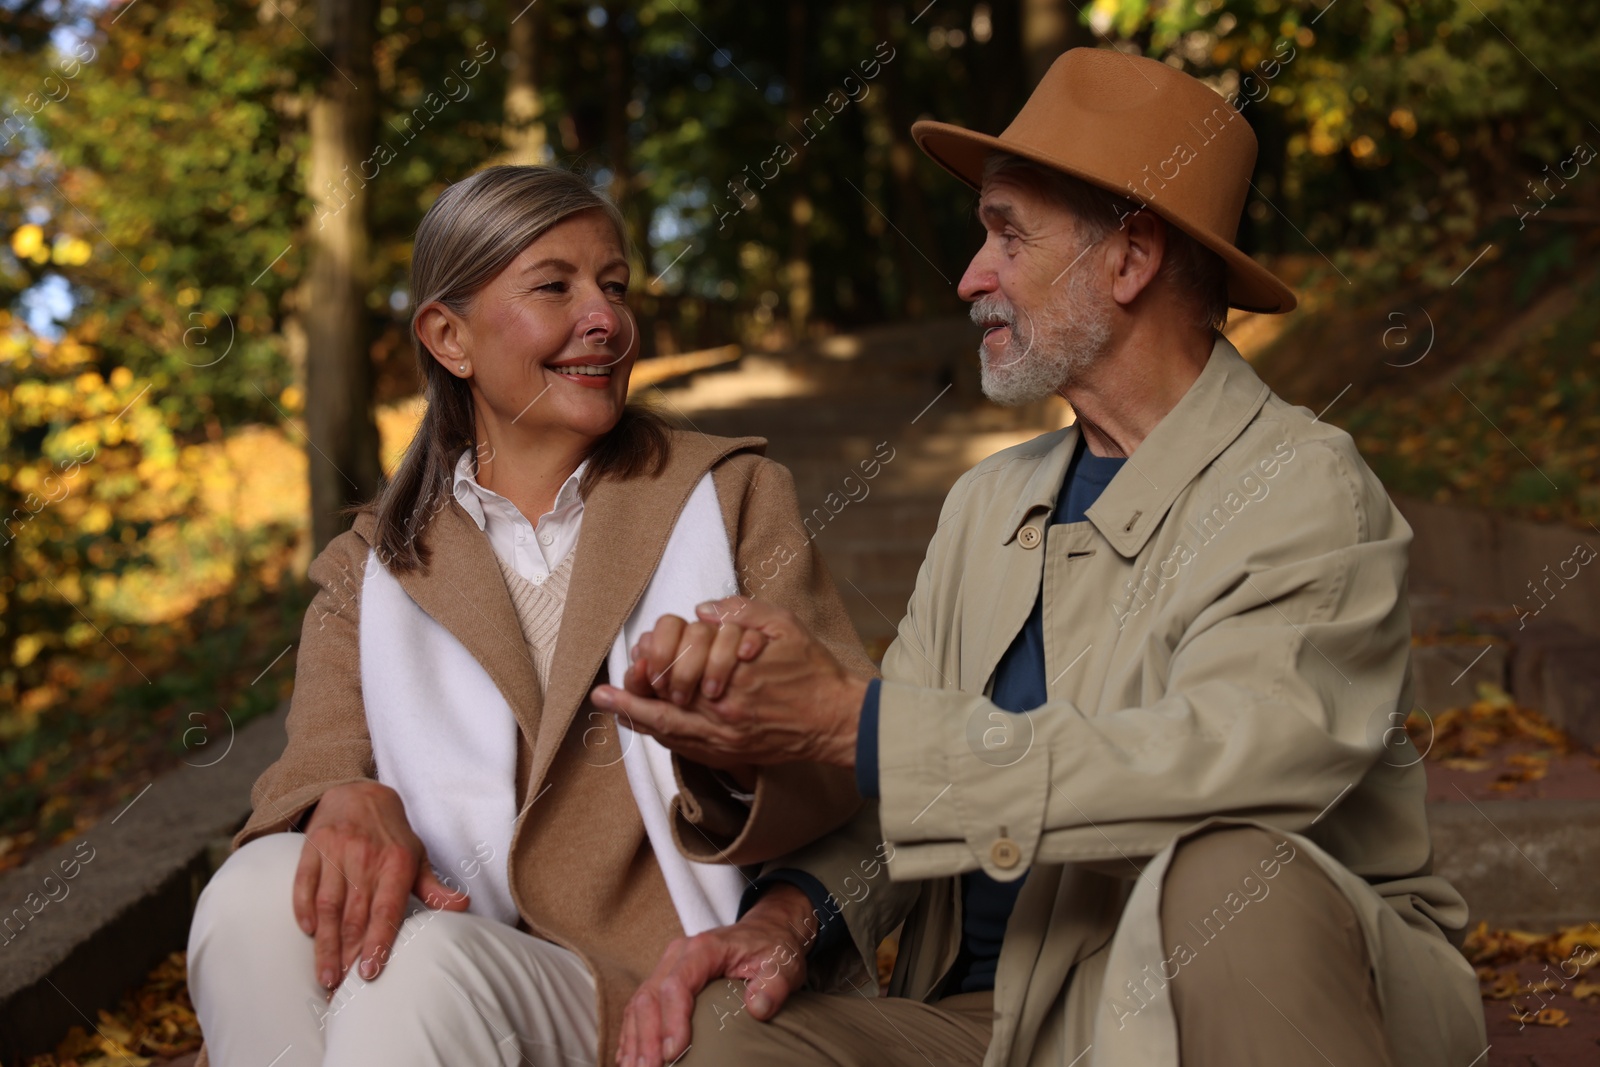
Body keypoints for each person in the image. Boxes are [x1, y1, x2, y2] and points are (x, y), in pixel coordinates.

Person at [593, 49, 1489, 1067]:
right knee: (714, 1033)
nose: (971, 276)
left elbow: (1234, 767)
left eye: (1006, 234)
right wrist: (789, 918)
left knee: (1227, 867)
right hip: (1000, 1019)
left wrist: (861, 719)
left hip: (1225, 995)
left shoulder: (1302, 486)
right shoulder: (988, 501)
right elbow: (908, 790)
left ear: (1130, 257)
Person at [185, 165, 873, 1067]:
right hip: (464, 931)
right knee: (247, 895)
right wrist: (342, 797)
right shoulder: (372, 563)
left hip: (654, 977)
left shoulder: (734, 496)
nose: (607, 318)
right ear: (449, 336)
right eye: (556, 286)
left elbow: (854, 756)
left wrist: (735, 747)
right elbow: (315, 758)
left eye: (616, 286)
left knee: (416, 969)